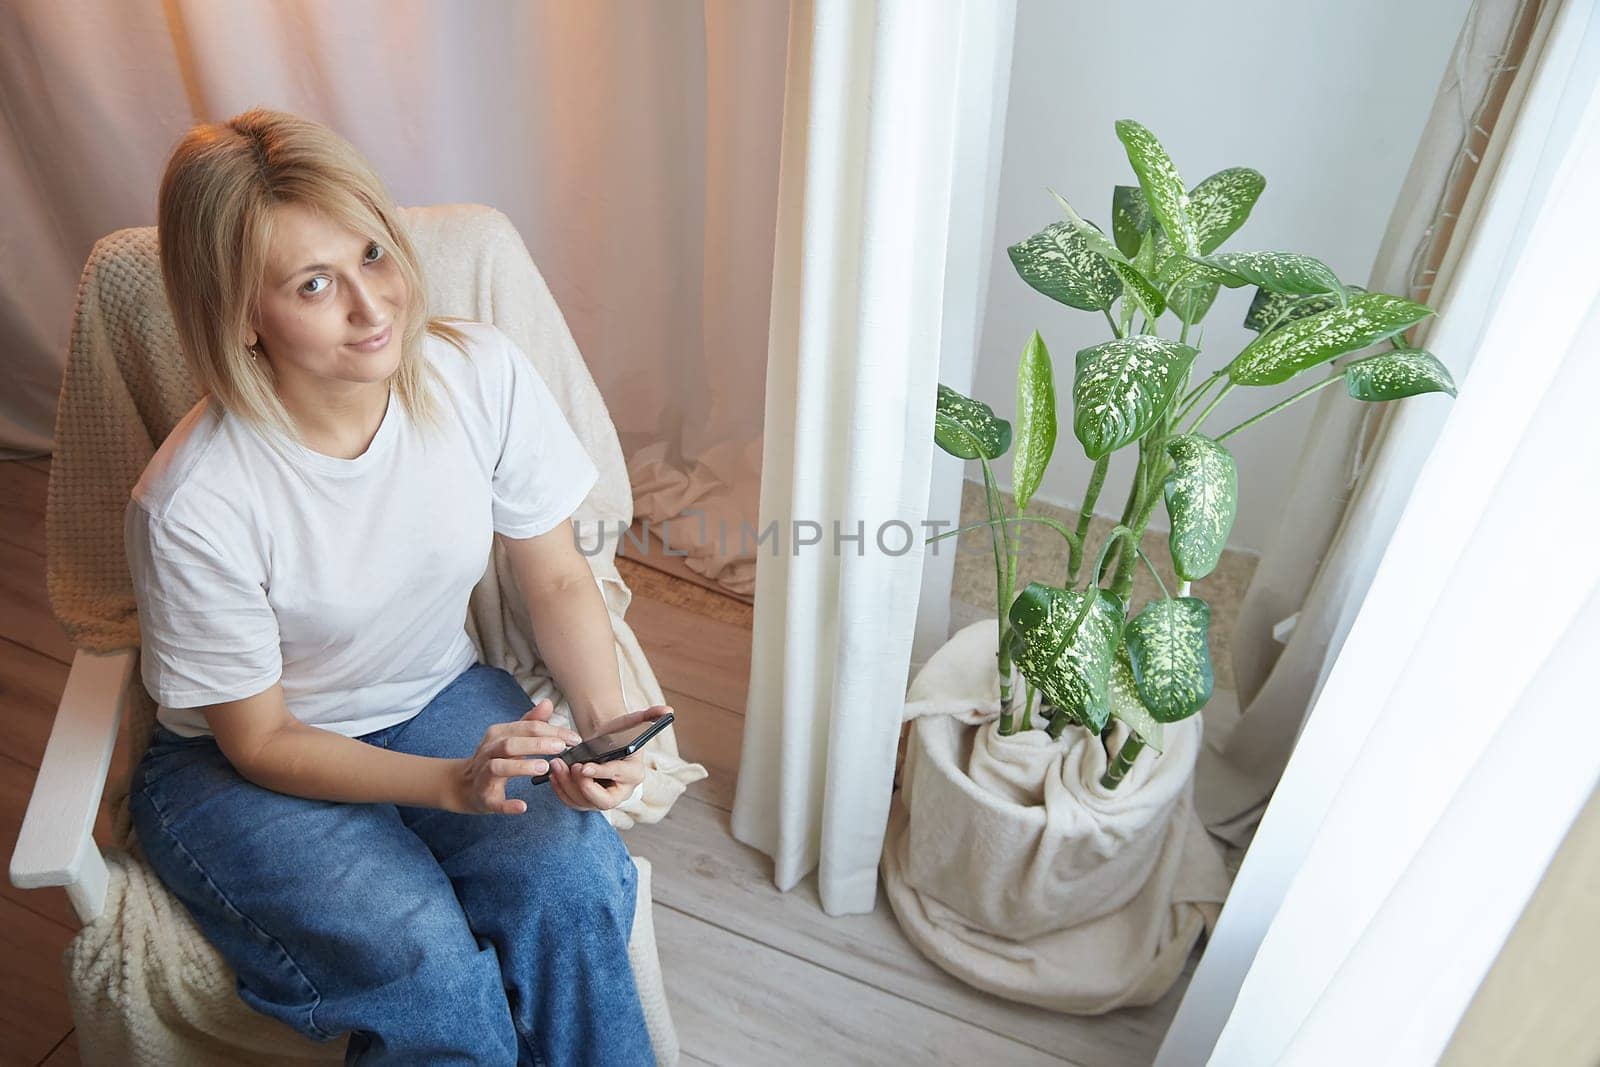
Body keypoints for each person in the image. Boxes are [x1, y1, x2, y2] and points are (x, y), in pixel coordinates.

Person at [124, 106, 666, 1066]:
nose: (374, 309)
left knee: (570, 883)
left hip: (430, 693)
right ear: (239, 312)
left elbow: (554, 573)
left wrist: (605, 725)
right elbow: (262, 739)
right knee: (429, 970)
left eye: (374, 254)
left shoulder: (476, 375)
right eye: (315, 284)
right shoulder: (194, 502)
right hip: (239, 772)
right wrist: (448, 784)